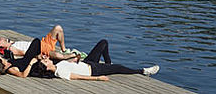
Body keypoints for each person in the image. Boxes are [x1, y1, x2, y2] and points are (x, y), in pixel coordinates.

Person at [29, 39, 160, 81]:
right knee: (119, 68)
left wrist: (74, 59)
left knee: (103, 43)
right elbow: (78, 76)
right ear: (46, 68)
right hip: (93, 70)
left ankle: (109, 63)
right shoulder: (59, 72)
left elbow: (71, 65)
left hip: (87, 63)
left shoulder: (58, 66)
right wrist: (98, 78)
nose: (48, 60)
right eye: (46, 62)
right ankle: (143, 71)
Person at [0, 25, 75, 60]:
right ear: (0, 44)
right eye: (0, 39)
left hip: (43, 43)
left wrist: (9, 41)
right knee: (58, 56)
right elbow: (26, 53)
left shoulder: (12, 43)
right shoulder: (12, 48)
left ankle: (63, 49)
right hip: (40, 49)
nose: (2, 38)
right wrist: (39, 56)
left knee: (58, 28)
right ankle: (73, 55)